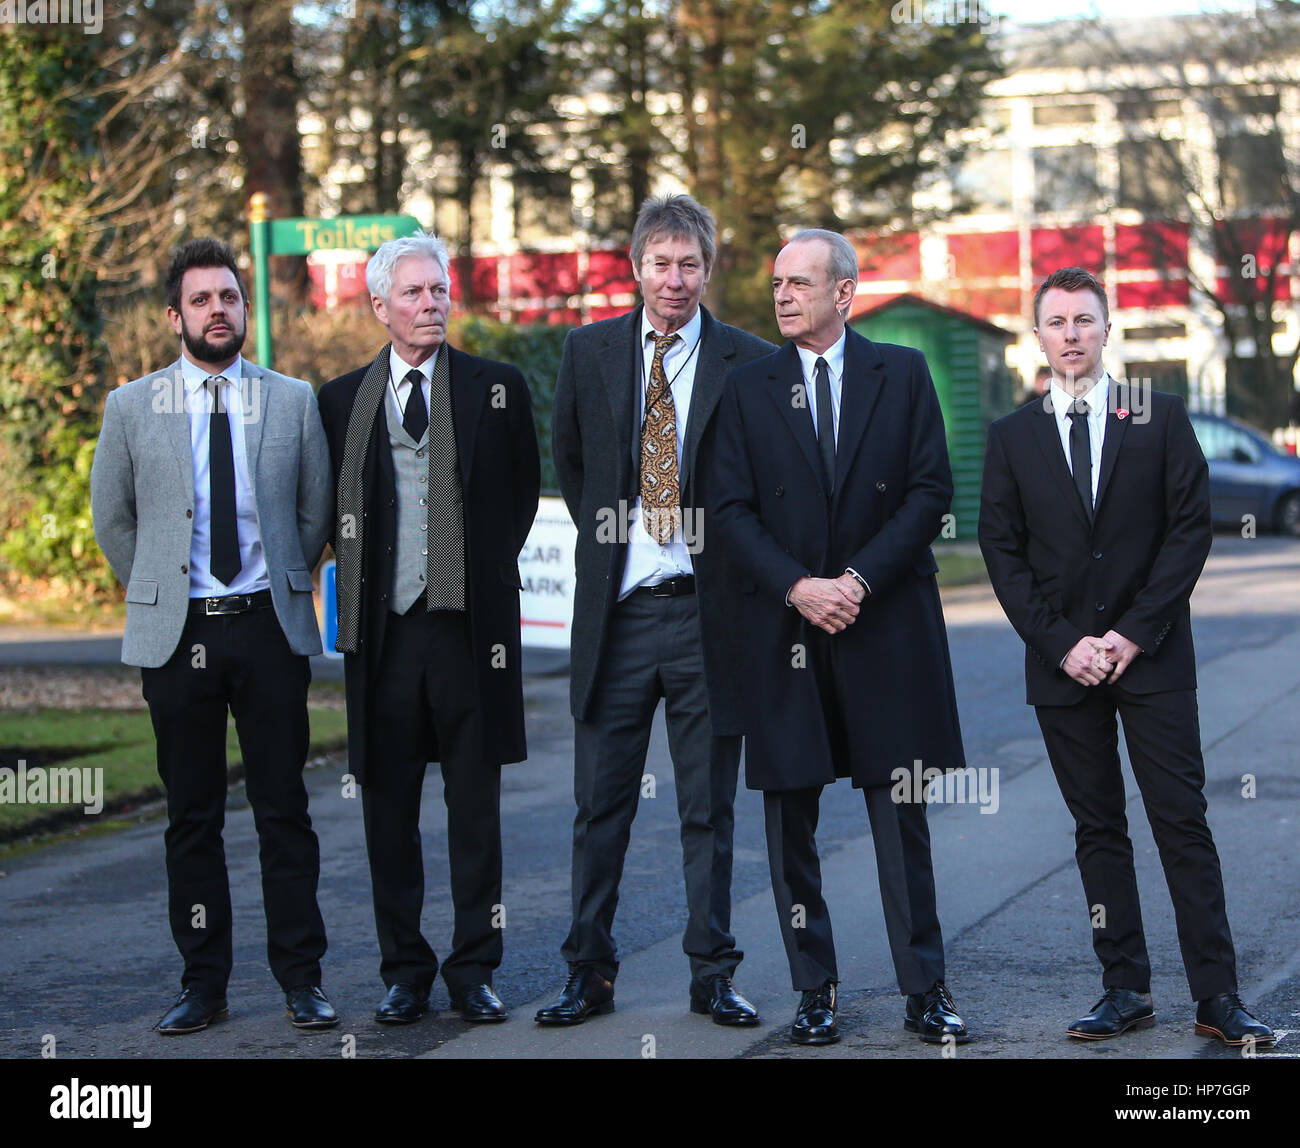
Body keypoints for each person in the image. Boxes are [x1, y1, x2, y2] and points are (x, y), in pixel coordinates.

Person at [978, 265, 1275, 1046]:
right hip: (1062, 666)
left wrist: (1134, 633)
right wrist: (1062, 642)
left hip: (1154, 658)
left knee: (1182, 822)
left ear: (1108, 329)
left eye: (1084, 320)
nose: (1071, 334)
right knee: (1098, 829)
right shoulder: (1013, 437)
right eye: (1056, 322)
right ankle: (1124, 988)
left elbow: (1189, 532)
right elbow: (1002, 553)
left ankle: (1218, 997)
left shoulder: (1161, 417)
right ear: (1036, 336)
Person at [708, 229, 968, 1046]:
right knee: (791, 820)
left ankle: (925, 989)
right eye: (777, 281)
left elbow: (930, 492)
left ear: (845, 293)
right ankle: (813, 989)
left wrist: (855, 582)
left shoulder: (905, 372)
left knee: (902, 814)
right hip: (786, 630)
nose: (783, 295)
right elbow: (726, 510)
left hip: (882, 621)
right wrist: (798, 586)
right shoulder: (748, 388)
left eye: (800, 282)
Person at [536, 194, 773, 1027]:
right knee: (600, 804)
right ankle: (587, 973)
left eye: (690, 264)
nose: (675, 280)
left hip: (710, 618)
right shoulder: (590, 351)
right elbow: (571, 460)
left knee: (709, 807)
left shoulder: (749, 360)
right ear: (636, 267)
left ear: (710, 270)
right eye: (661, 263)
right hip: (621, 615)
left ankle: (712, 973)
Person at [91, 237, 336, 1035]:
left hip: (268, 626)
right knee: (191, 818)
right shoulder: (131, 408)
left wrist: (284, 579)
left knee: (283, 812)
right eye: (201, 300)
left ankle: (302, 979)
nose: (217, 311)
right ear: (175, 317)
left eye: (228, 297)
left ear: (243, 307)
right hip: (178, 635)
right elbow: (114, 518)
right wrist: (160, 587)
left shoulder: (292, 400)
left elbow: (314, 510)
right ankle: (205, 984)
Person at [317, 232, 539, 1026]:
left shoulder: (496, 387)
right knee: (390, 812)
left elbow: (516, 501)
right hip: (382, 638)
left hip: (468, 632)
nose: (431, 303)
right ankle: (404, 971)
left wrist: (465, 579)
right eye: (413, 293)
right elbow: (335, 517)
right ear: (380, 306)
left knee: (474, 810)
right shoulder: (340, 399)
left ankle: (474, 968)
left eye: (439, 291)